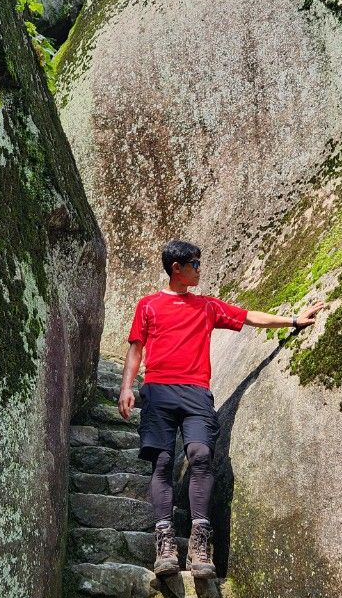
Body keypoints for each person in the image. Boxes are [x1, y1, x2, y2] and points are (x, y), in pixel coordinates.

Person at [118, 240, 325, 580]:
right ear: (177, 269)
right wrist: (127, 387)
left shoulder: (207, 306)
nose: (199, 270)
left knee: (200, 455)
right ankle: (165, 543)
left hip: (196, 392)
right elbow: (136, 349)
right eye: (195, 264)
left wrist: (293, 320)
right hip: (158, 390)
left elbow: (249, 316)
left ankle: (199, 543)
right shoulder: (149, 305)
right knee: (163, 462)